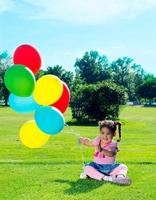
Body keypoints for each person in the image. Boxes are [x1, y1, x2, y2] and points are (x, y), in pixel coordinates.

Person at [79, 120, 131, 185]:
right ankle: (106, 178)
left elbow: (111, 154)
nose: (105, 136)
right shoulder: (98, 140)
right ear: (100, 133)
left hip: (110, 168)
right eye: (102, 133)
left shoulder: (113, 144)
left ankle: (120, 177)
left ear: (114, 134)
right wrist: (83, 140)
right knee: (87, 168)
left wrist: (101, 150)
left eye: (108, 133)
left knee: (123, 167)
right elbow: (90, 143)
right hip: (97, 167)